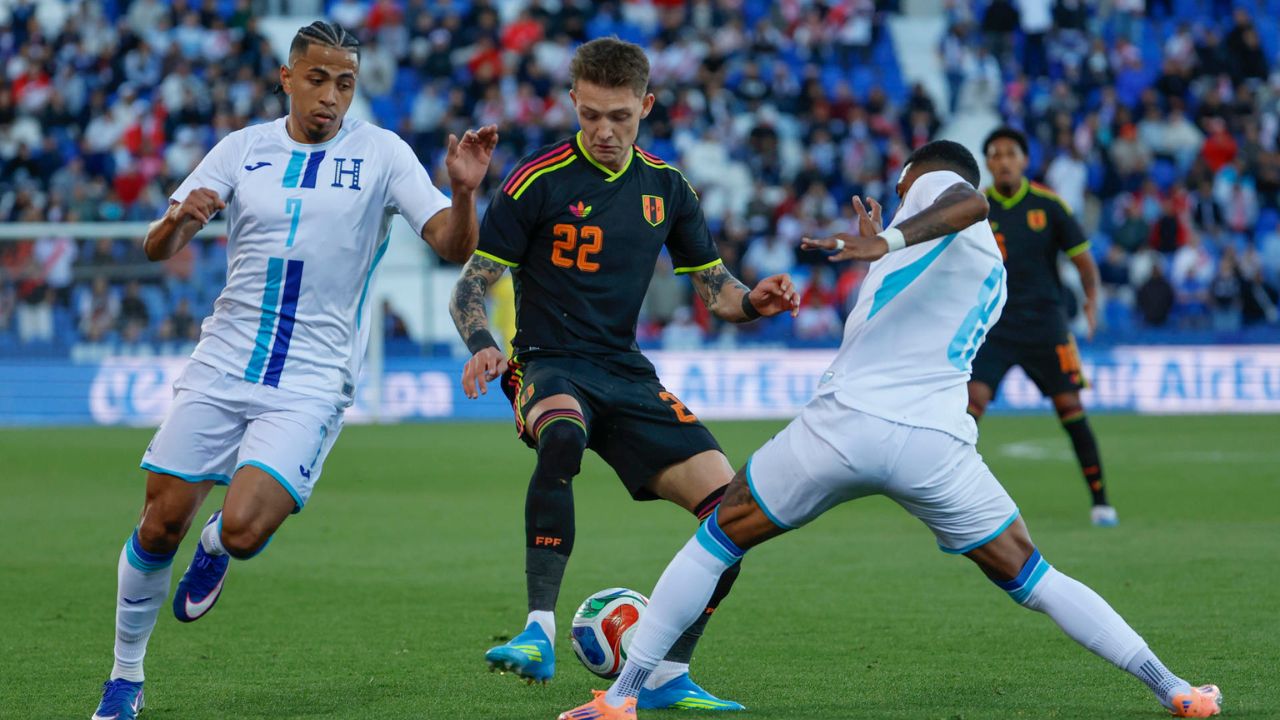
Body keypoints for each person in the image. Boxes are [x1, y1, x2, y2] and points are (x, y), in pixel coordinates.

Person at [558, 140, 1221, 720]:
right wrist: (886, 247)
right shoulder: (989, 267)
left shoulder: (936, 184)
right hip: (935, 446)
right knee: (1036, 576)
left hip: (844, 426)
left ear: (909, 176)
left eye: (903, 189)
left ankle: (623, 696)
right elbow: (925, 289)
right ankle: (1174, 688)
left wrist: (884, 241)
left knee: (717, 539)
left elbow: (967, 200)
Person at [92, 21, 498, 720]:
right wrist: (179, 221)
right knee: (158, 526)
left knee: (244, 530)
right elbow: (159, 246)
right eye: (317, 79)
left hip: (312, 377)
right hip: (223, 361)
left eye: (345, 83)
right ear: (287, 78)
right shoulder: (241, 148)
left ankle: (216, 544)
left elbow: (451, 247)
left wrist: (463, 194)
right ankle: (125, 678)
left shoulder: (382, 153)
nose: (330, 96)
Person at [449, 37, 798, 711]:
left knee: (736, 513)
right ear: (573, 102)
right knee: (562, 436)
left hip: (626, 372)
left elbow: (718, 290)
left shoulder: (668, 188)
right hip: (548, 363)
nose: (604, 131)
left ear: (647, 106)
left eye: (620, 117)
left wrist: (756, 301)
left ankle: (668, 673)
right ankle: (538, 629)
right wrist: (483, 343)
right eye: (590, 116)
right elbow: (471, 284)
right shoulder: (536, 180)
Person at [968, 127, 1118, 527]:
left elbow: (1084, 262)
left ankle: (1101, 502)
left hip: (1046, 327)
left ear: (1024, 160)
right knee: (969, 409)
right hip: (995, 327)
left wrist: (1091, 302)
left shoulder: (1049, 206)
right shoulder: (975, 208)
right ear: (988, 163)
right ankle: (950, 500)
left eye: (1010, 154)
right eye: (995, 154)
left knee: (1070, 408)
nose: (1003, 161)